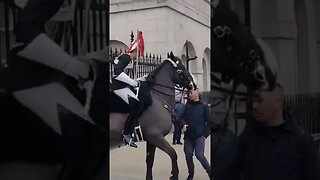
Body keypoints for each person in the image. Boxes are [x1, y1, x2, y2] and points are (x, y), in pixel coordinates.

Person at [7, 0, 108, 179]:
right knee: (84, 136)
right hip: (32, 76)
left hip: (60, 76)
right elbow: (26, 30)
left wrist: (89, 66)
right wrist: (70, 65)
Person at [235, 83, 320, 180]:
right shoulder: (248, 137)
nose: (254, 106)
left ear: (278, 102)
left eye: (259, 100)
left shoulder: (301, 141)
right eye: (253, 101)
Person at [111, 38, 147, 148]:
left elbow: (126, 77)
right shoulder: (126, 58)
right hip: (119, 88)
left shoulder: (127, 59)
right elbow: (118, 73)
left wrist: (140, 80)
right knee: (138, 105)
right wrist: (133, 82)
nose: (139, 55)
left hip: (123, 87)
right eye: (138, 52)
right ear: (134, 51)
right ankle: (127, 133)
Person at [181, 88, 211, 180]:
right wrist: (183, 124)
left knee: (199, 155)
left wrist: (205, 135)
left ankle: (210, 172)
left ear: (197, 92)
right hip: (188, 136)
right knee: (188, 155)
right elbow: (181, 117)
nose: (189, 95)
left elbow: (209, 122)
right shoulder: (187, 105)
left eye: (191, 92)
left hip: (199, 136)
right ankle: (191, 174)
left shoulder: (204, 106)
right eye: (188, 93)